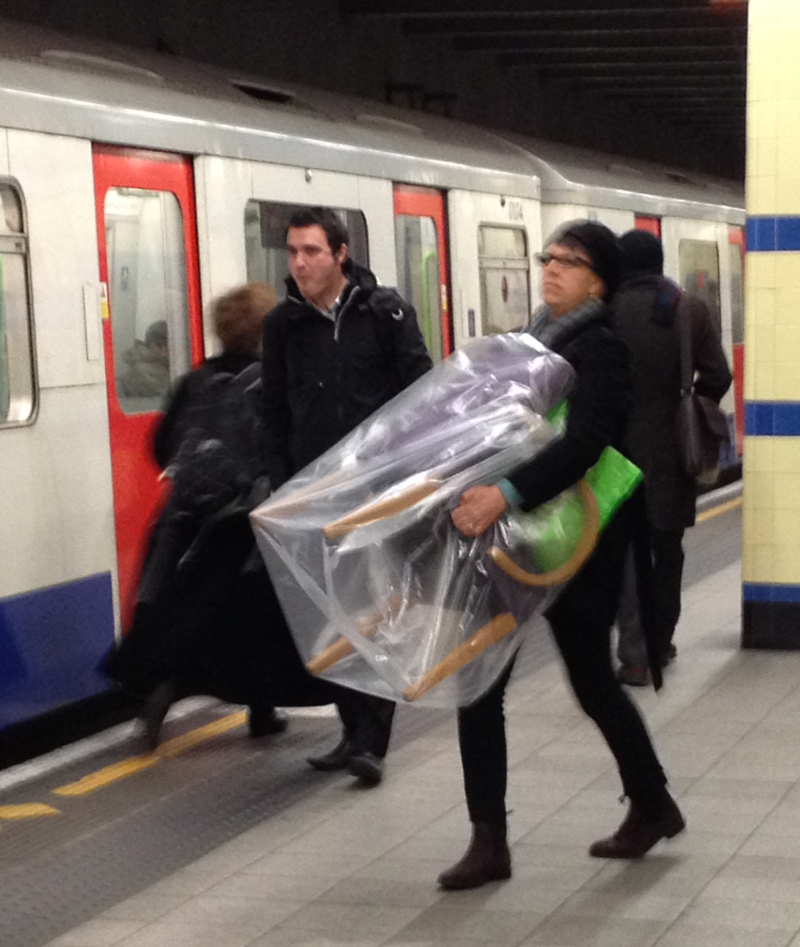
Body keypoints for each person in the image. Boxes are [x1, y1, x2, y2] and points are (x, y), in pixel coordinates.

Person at [437, 220, 685, 891]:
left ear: (598, 282)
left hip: (572, 541)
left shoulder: (600, 347)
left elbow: (585, 442)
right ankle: (489, 838)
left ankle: (652, 802)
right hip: (517, 539)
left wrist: (505, 493)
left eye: (569, 262)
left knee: (592, 680)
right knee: (483, 682)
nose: (550, 268)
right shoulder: (536, 337)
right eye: (548, 257)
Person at [107, 282, 335, 748]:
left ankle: (163, 703)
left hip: (191, 524)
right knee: (263, 625)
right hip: (249, 523)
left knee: (189, 626)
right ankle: (264, 711)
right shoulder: (271, 381)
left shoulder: (195, 380)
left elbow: (162, 444)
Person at [261, 206, 432, 784]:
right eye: (292, 252)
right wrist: (279, 483)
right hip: (312, 492)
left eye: (311, 251)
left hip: (375, 491)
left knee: (370, 612)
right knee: (329, 614)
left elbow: (419, 393)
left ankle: (371, 742)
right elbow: (273, 409)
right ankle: (351, 728)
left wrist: (408, 476)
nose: (300, 263)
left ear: (340, 254)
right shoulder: (283, 325)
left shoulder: (384, 313)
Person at [611, 230, 732, 686]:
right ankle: (659, 643)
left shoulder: (606, 309)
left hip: (613, 453)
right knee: (666, 550)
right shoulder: (688, 308)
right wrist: (689, 403)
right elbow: (718, 375)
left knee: (626, 554)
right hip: (672, 454)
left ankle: (635, 654)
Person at [118, 319, 171, 398]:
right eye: (160, 345)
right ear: (150, 344)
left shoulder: (162, 365)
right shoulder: (141, 372)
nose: (165, 350)